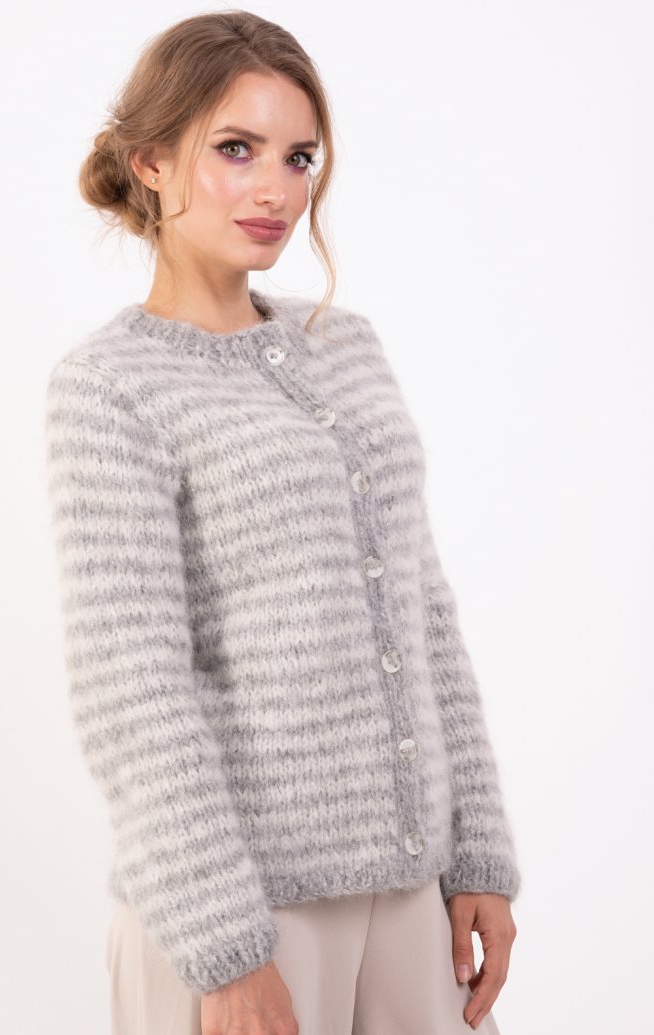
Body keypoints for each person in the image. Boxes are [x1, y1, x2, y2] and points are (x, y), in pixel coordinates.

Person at [44, 10, 521, 1035]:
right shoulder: (112, 387)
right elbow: (130, 685)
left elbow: (424, 612)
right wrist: (225, 945)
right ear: (152, 163)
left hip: (413, 896)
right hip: (241, 909)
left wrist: (477, 850)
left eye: (298, 157)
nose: (276, 189)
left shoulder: (346, 346)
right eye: (235, 149)